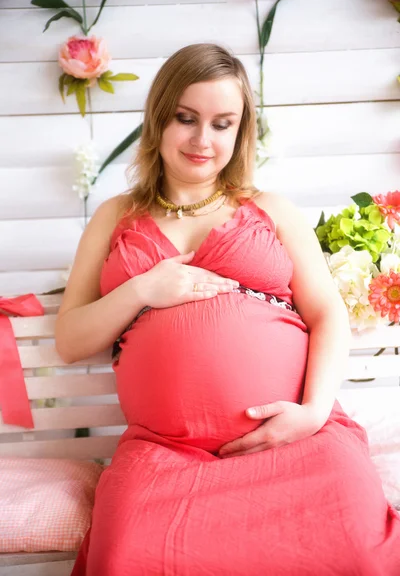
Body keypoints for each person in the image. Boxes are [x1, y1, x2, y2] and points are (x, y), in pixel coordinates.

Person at [56, 43, 400, 575]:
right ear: (158, 119)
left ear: (241, 131)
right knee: (124, 556)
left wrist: (310, 415)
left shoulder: (271, 209)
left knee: (355, 545)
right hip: (166, 457)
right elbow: (71, 340)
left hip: (296, 446)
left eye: (222, 123)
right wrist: (143, 289)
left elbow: (328, 315)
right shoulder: (114, 217)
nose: (202, 140)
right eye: (186, 118)